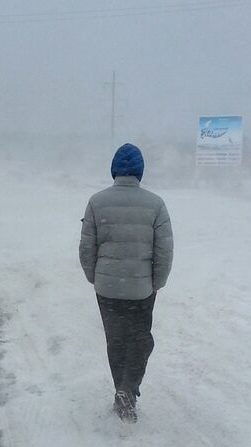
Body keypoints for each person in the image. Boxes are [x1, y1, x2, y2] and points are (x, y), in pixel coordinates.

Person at [79, 143, 173, 423]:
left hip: (107, 289)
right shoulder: (156, 204)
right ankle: (128, 389)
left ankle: (122, 389)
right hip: (141, 290)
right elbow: (164, 251)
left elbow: (86, 249)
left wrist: (94, 277)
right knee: (141, 339)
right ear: (140, 172)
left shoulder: (97, 201)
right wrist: (157, 283)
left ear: (114, 171)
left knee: (116, 341)